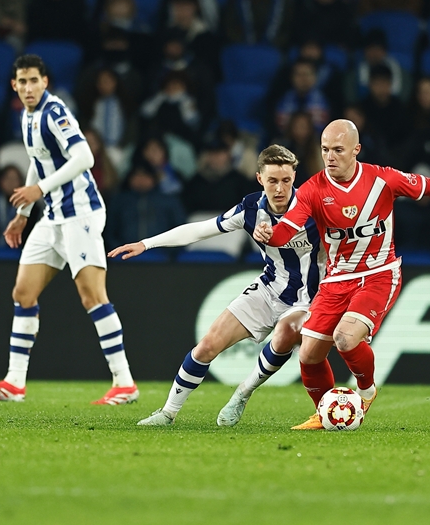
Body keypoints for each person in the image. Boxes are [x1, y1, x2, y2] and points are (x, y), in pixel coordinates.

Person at [253, 119, 430, 429]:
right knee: (309, 356)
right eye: (325, 149)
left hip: (379, 274)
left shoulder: (383, 179)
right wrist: (269, 234)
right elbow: (288, 227)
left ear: (356, 149)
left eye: (338, 150)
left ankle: (365, 392)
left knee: (344, 337)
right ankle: (329, 413)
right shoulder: (313, 189)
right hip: (337, 279)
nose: (330, 157)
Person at [107, 145, 325, 427]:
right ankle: (167, 413)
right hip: (269, 289)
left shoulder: (315, 207)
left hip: (309, 299)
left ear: (295, 176)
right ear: (260, 179)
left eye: (286, 180)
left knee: (286, 332)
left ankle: (242, 393)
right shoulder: (250, 209)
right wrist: (146, 243)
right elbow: (199, 230)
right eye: (272, 181)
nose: (280, 188)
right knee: (207, 346)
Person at [0, 54, 138, 405]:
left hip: (81, 214)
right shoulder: (27, 116)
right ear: (14, 86)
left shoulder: (54, 112)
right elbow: (39, 161)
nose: (29, 87)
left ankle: (125, 382)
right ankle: (15, 382)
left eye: (35, 80)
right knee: (23, 293)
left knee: (93, 296)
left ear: (45, 82)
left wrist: (39, 191)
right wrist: (23, 211)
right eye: (22, 82)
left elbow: (85, 159)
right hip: (52, 216)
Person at [105, 164, 187, 250]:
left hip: (162, 256)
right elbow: (110, 231)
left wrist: (170, 254)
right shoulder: (119, 201)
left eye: (145, 175)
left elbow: (180, 229)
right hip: (124, 256)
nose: (141, 179)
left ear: (154, 179)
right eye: (137, 175)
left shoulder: (168, 201)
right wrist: (118, 250)